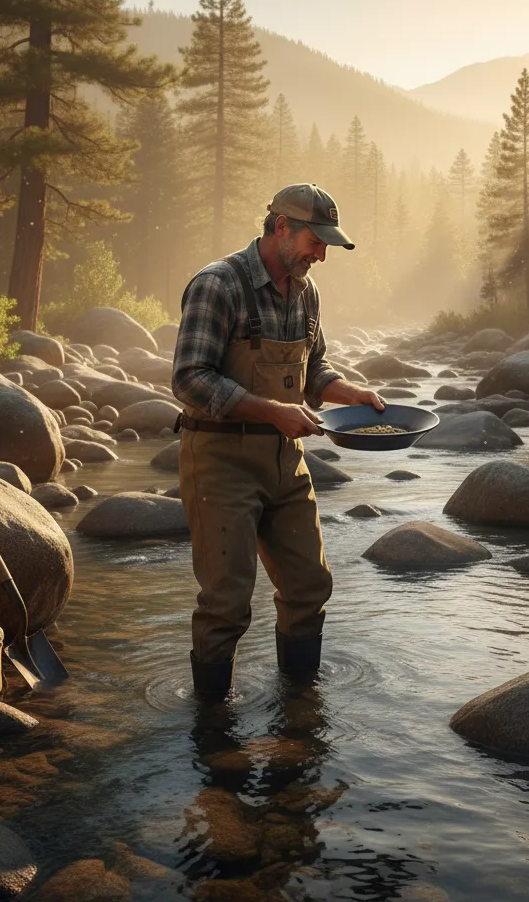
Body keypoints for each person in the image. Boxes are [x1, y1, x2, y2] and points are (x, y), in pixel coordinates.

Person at [171, 183, 384, 698]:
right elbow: (189, 379)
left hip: (286, 461)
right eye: (317, 240)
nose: (322, 255)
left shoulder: (305, 291)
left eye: (328, 244)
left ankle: (300, 710)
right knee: (226, 604)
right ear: (281, 226)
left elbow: (313, 372)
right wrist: (273, 412)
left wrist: (350, 392)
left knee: (309, 588)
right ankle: (213, 732)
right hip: (220, 463)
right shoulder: (218, 284)